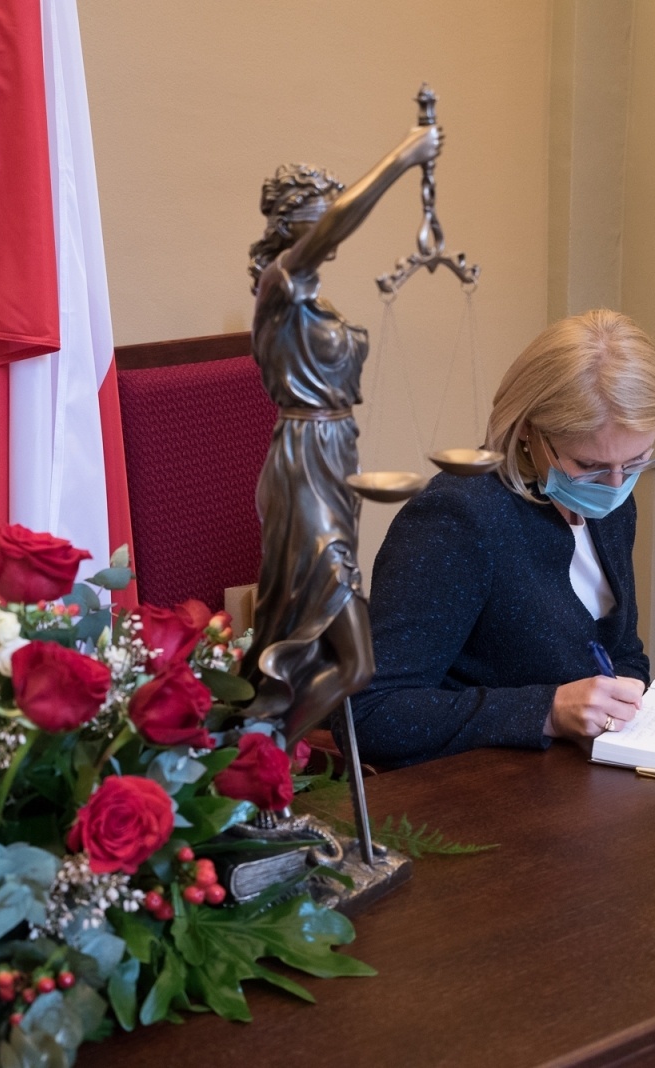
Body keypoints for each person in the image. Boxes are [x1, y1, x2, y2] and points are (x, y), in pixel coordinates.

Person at [352, 309, 655, 768]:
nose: (615, 486)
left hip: (579, 773)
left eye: (638, 460)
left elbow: (622, 650)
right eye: (589, 466)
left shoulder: (610, 502)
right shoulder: (458, 519)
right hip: (475, 791)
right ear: (528, 431)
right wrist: (547, 711)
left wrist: (622, 693)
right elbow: (370, 714)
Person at [243, 125, 443, 744]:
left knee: (349, 663)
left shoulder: (316, 303)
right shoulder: (279, 286)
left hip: (334, 462)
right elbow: (335, 227)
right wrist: (402, 157)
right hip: (303, 466)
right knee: (350, 657)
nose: (329, 231)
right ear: (292, 228)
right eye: (319, 219)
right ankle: (264, 757)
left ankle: (265, 757)